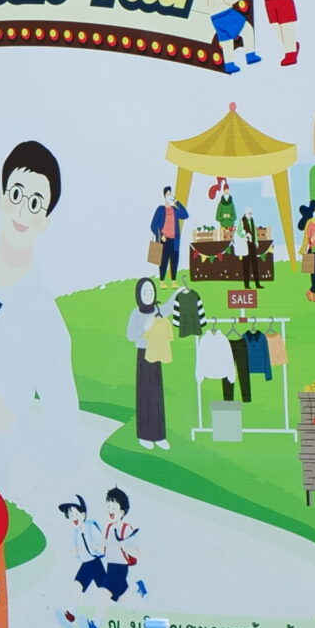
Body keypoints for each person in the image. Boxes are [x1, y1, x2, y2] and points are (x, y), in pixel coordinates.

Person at [0, 141, 80, 525]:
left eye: (36, 204)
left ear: (46, 221)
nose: (23, 211)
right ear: (1, 198)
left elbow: (68, 448)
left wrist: (8, 422)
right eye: (17, 195)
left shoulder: (48, 326)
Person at [127, 277, 172, 450]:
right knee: (145, 396)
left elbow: (168, 307)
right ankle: (144, 436)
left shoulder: (157, 310)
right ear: (138, 294)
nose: (148, 295)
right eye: (145, 292)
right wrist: (144, 327)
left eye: (151, 291)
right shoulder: (136, 313)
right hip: (143, 356)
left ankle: (159, 436)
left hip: (157, 353)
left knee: (157, 396)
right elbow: (130, 336)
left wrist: (178, 293)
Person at [150, 187, 187, 283]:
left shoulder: (175, 210)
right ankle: (162, 281)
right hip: (164, 240)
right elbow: (153, 225)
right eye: (168, 194)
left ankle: (173, 281)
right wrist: (161, 235)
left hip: (175, 240)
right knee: (163, 261)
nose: (169, 196)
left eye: (171, 194)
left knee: (174, 260)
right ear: (164, 196)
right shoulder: (160, 209)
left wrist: (176, 202)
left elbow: (185, 215)